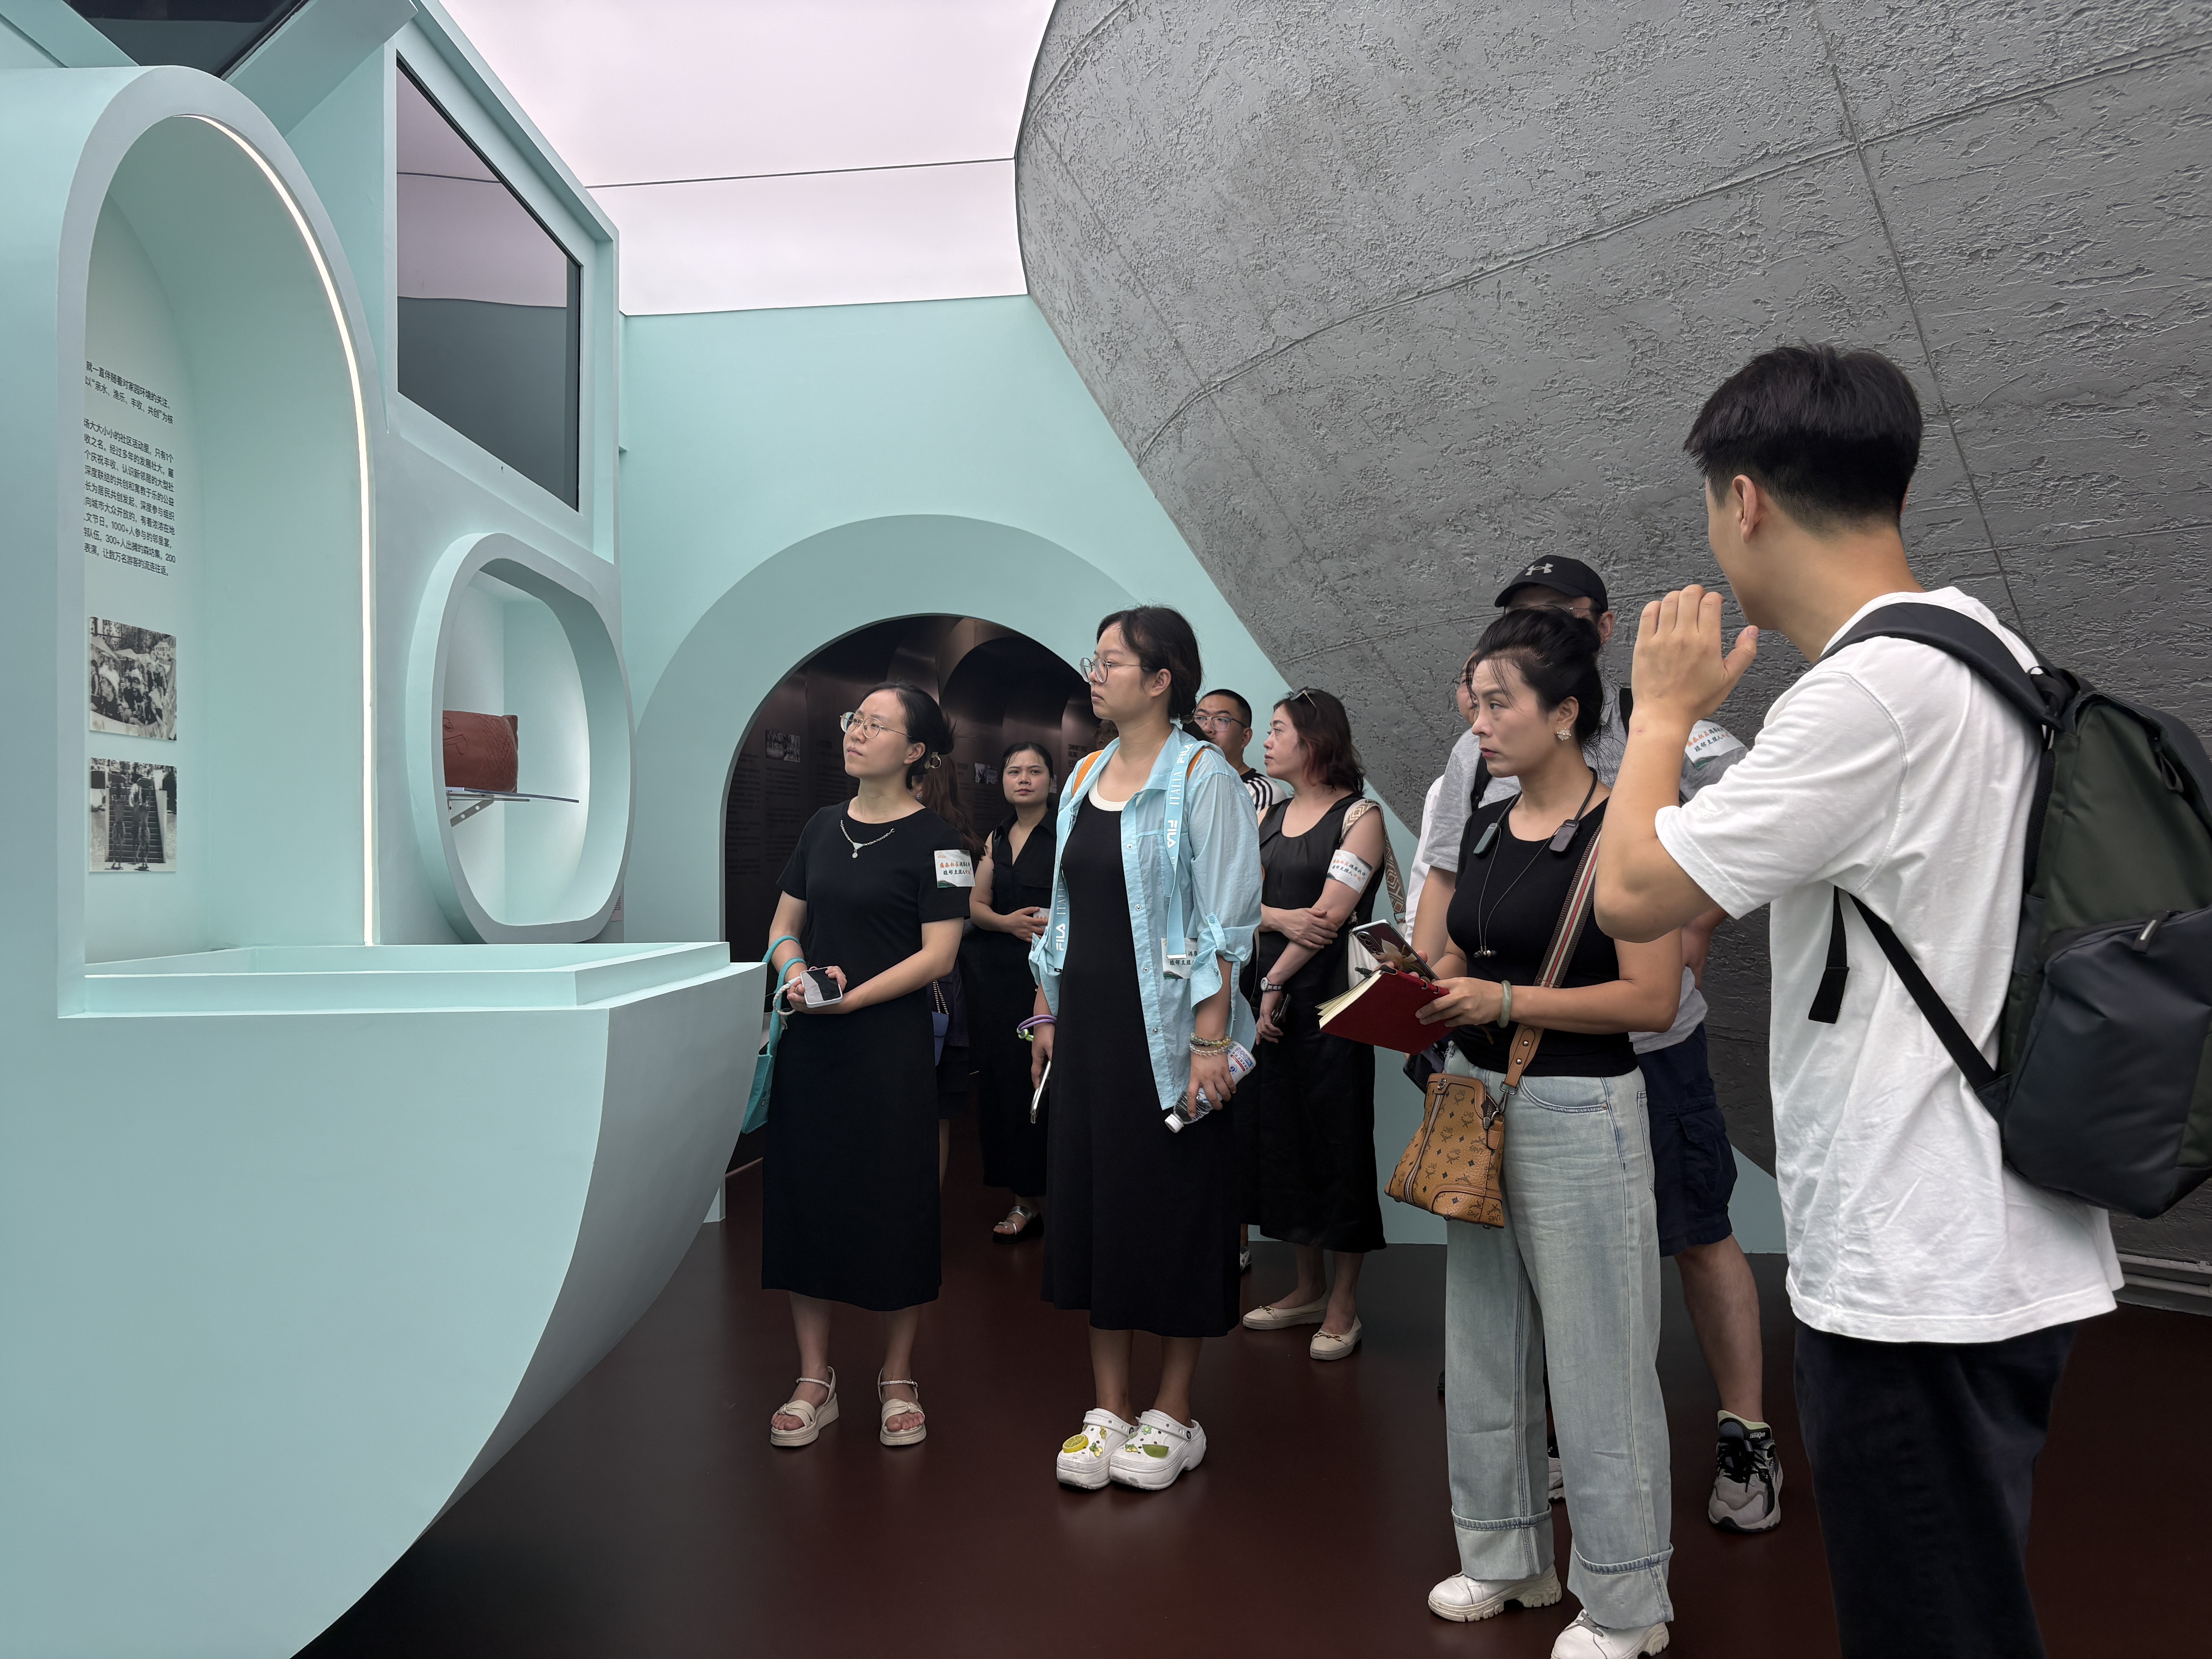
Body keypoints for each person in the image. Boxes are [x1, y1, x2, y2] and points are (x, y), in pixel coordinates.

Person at [1595, 343, 2120, 1659]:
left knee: (1927, 1624)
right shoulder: (1984, 649)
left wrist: (1658, 716)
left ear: (1746, 500)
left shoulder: (1868, 695)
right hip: (1989, 1226)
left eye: (1710, 508)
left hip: (1914, 1261)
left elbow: (1632, 894)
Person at [1415, 556, 1777, 1531]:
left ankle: (1744, 1435)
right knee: (1519, 1284)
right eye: (1517, 619)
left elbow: (1748, 841)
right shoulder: (1478, 759)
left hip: (1643, 1055)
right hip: (1508, 1063)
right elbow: (1446, 881)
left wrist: (1686, 934)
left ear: (1600, 634)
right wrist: (1432, 982)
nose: (1486, 713)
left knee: (1694, 1231)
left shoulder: (1670, 730)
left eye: (1557, 617)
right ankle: (1533, 1478)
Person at [1413, 606, 1684, 1658]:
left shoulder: (1628, 833)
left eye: (1500, 704)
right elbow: (1460, 960)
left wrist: (1504, 1000)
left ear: (1566, 713)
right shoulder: (1484, 821)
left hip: (1582, 1112)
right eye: (1474, 702)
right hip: (1479, 1098)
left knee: (1599, 1364)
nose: (1478, 723)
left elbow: (1653, 998)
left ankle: (1628, 1602)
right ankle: (1505, 1554)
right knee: (1485, 1342)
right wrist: (1416, 989)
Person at [1027, 607, 1261, 1493]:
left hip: (1170, 1040)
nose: (1096, 674)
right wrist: (1044, 1016)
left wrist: (1210, 1043)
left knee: (1174, 1210)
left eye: (1113, 662)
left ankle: (1174, 1413)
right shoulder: (1086, 773)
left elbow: (1227, 926)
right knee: (1096, 1207)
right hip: (1088, 1032)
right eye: (1095, 660)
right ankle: (1109, 1407)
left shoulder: (1206, 778)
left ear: (1162, 680)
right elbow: (1064, 913)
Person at [760, 682, 974, 1452]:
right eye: (856, 719)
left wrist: (851, 1000)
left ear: (915, 751)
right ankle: (814, 1379)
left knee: (896, 1205)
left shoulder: (944, 844)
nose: (856, 731)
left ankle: (898, 1376)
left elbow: (939, 956)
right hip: (813, 1049)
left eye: (877, 724)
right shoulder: (822, 826)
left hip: (889, 1050)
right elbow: (784, 924)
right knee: (806, 1202)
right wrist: (796, 972)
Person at [1237, 689, 1388, 1358]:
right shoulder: (1266, 813)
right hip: (1265, 1001)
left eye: (1277, 730)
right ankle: (1305, 1287)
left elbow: (1328, 918)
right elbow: (1236, 902)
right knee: (1282, 1139)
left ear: (1315, 739)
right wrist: (1275, 923)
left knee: (1337, 1142)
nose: (1266, 742)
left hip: (1332, 1004)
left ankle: (1343, 1305)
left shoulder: (1360, 816)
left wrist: (1274, 980)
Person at [969, 740, 1058, 1238]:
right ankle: (1023, 1201)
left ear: (1052, 780)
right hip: (1001, 977)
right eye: (1014, 771)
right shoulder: (997, 836)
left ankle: (1063, 1200)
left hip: (1056, 975)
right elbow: (976, 905)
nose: (1023, 779)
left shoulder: (1068, 829)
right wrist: (1008, 923)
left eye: (1034, 771)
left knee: (1052, 1084)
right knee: (1006, 1085)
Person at [915, 761, 981, 1184]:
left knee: (934, 1105)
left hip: (935, 987)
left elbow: (963, 921)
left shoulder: (949, 843)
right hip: (926, 982)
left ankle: (927, 1207)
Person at [1194, 687, 1289, 817]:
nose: (1207, 728)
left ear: (1245, 738)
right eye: (1200, 718)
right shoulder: (1178, 779)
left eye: (1221, 720)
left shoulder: (1259, 793)